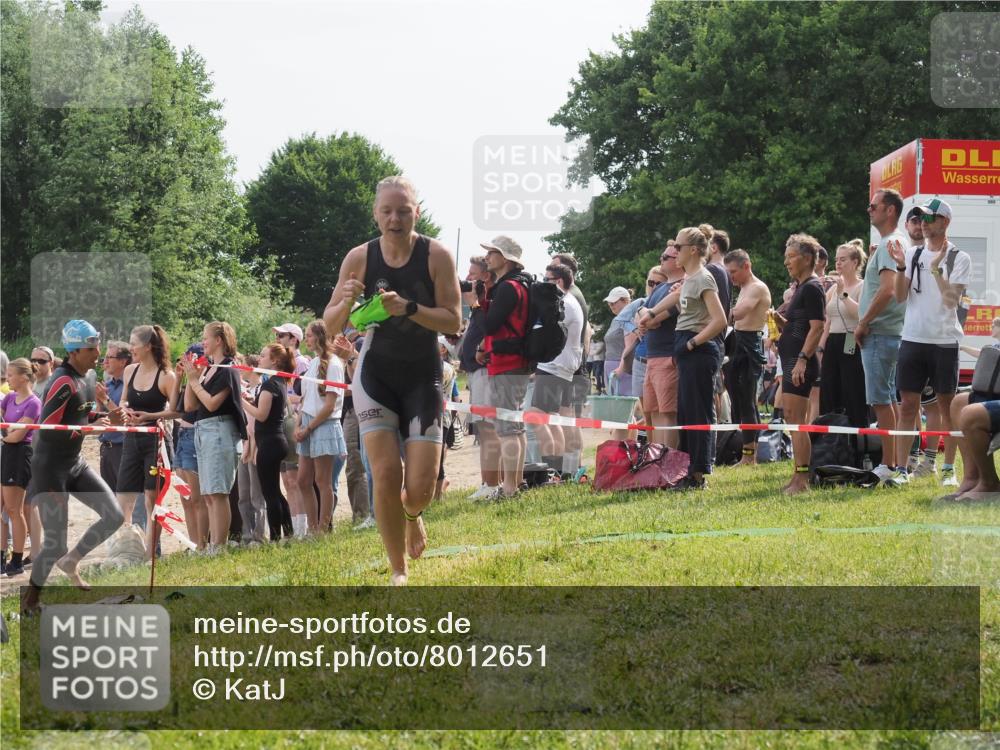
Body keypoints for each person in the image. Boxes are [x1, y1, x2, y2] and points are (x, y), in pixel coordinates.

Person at [323, 175, 461, 586]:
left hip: (422, 374)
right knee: (383, 471)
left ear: (416, 212)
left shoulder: (435, 255)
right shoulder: (359, 257)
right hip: (375, 373)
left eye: (403, 210)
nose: (394, 218)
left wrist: (409, 307)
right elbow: (330, 324)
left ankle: (412, 514)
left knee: (418, 487)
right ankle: (397, 569)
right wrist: (346, 300)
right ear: (375, 214)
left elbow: (453, 320)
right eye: (387, 211)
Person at [22, 321, 125, 614]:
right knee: (53, 544)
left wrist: (107, 415)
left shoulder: (89, 377)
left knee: (114, 515)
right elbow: (49, 428)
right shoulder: (61, 380)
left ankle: (72, 560)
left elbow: (82, 411)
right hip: (50, 468)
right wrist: (91, 429)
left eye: (98, 346)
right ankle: (31, 601)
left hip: (75, 463)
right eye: (92, 348)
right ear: (74, 350)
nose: (98, 352)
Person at [888, 198, 970, 486]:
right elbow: (900, 297)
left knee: (946, 408)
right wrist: (900, 267)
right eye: (920, 218)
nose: (923, 223)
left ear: (944, 222)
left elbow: (951, 302)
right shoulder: (912, 254)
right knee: (908, 406)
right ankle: (901, 470)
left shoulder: (959, 257)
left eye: (929, 218)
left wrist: (936, 270)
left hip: (944, 341)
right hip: (912, 338)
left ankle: (948, 470)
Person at [470, 235, 533, 501]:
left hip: (507, 364)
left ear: (505, 258)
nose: (487, 258)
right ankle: (515, 482)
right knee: (515, 426)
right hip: (513, 362)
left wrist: (475, 305)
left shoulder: (509, 288)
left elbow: (491, 326)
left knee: (507, 428)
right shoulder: (518, 285)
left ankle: (509, 488)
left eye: (492, 253)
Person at [857, 187, 909, 486]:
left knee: (880, 400)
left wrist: (864, 322)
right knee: (886, 400)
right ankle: (891, 463)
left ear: (890, 210)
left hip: (879, 333)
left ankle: (889, 464)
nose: (869, 210)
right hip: (884, 333)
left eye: (873, 206)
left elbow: (888, 290)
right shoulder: (889, 243)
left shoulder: (891, 243)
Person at [181, 321, 247, 553]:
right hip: (203, 431)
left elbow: (211, 403)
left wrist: (193, 381)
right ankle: (213, 545)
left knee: (218, 493)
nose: (202, 342)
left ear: (219, 340)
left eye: (205, 338)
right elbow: (190, 405)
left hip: (220, 431)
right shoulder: (209, 369)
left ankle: (218, 547)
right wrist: (194, 378)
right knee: (209, 494)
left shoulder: (228, 368)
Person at [671, 226, 728, 490]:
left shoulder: (704, 278)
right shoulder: (690, 278)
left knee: (698, 413)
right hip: (686, 347)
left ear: (693, 250)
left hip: (699, 350)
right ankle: (687, 469)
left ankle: (698, 474)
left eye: (678, 247)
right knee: (686, 411)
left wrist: (693, 343)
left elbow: (720, 321)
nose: (674, 252)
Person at [115, 325, 177, 560]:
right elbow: (123, 401)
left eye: (134, 344)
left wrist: (149, 416)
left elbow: (176, 411)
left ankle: (151, 556)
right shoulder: (130, 371)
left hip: (156, 441)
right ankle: (127, 552)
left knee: (152, 500)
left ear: (148, 346)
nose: (131, 349)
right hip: (132, 439)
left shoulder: (166, 376)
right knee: (123, 498)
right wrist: (123, 411)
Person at [773, 235, 827, 494]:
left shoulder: (813, 287)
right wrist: (780, 322)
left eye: (791, 256)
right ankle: (797, 475)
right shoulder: (801, 288)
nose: (787, 262)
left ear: (807, 259)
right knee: (792, 418)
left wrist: (802, 361)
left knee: (798, 422)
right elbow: (801, 327)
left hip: (800, 364)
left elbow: (817, 328)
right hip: (792, 361)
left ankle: (803, 480)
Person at [527, 263, 584, 479]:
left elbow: (543, 330)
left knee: (535, 415)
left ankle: (552, 469)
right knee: (551, 416)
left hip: (555, 366)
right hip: (557, 365)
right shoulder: (567, 301)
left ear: (558, 281)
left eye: (547, 278)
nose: (543, 282)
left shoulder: (565, 303)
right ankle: (557, 471)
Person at [295, 320, 346, 535]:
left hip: (324, 425)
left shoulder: (334, 364)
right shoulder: (313, 363)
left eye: (309, 335)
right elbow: (306, 397)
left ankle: (323, 530)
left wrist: (309, 428)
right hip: (307, 422)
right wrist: (299, 424)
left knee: (322, 480)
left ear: (320, 337)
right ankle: (312, 528)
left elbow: (330, 405)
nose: (306, 339)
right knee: (303, 480)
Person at [241, 343, 295, 541]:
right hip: (275, 441)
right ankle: (288, 533)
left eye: (263, 356)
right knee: (276, 492)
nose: (260, 359)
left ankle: (275, 537)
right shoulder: (279, 382)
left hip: (270, 443)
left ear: (274, 361)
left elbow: (261, 415)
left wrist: (241, 401)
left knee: (270, 493)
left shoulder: (270, 384)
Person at [723, 249, 772, 463]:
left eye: (733, 271)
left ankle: (749, 456)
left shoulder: (757, 287)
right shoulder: (743, 288)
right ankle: (737, 448)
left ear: (746, 266)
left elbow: (739, 313)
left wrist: (711, 316)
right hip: (735, 342)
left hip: (749, 345)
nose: (730, 277)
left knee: (747, 401)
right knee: (735, 398)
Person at [460, 256, 502, 500]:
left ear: (485, 276)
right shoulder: (483, 301)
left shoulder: (490, 300)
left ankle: (492, 484)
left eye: (472, 274)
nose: (467, 279)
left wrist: (475, 304)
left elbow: (490, 330)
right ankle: (487, 482)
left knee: (488, 429)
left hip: (486, 372)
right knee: (483, 431)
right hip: (477, 373)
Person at [638, 243, 685, 448]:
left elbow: (656, 317)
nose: (661, 259)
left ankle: (670, 463)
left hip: (668, 356)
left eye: (665, 257)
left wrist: (646, 318)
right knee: (654, 412)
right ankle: (657, 461)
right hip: (653, 357)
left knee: (667, 413)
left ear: (677, 260)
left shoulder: (681, 286)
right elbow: (642, 311)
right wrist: (645, 318)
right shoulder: (662, 288)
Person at [818, 240, 868, 428]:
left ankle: (857, 437)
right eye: (837, 260)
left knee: (852, 389)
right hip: (834, 341)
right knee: (829, 388)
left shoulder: (861, 286)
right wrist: (820, 347)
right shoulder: (832, 288)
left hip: (852, 340)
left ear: (855, 262)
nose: (838, 264)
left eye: (843, 260)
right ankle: (829, 436)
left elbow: (861, 314)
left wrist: (843, 294)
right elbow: (827, 319)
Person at [1, 358, 42, 576]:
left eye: (10, 375)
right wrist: (6, 435)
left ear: (24, 377)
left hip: (20, 455)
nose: (7, 378)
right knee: (2, 509)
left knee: (14, 509)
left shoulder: (33, 402)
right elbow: (8, 431)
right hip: (6, 453)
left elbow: (18, 436)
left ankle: (16, 561)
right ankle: (2, 557)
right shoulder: (8, 398)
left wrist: (4, 435)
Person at [271, 324, 310, 540]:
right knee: (287, 481)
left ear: (294, 339)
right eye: (276, 335)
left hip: (296, 421)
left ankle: (303, 529)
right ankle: (296, 528)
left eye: (281, 335)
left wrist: (282, 397)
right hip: (283, 423)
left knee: (296, 480)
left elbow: (305, 395)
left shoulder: (302, 362)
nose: (277, 338)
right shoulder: (279, 366)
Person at [332, 329, 372, 528]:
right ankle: (363, 514)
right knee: (355, 468)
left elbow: (359, 382)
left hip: (357, 412)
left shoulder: (361, 343)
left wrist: (334, 392)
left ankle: (364, 515)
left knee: (358, 467)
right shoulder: (345, 347)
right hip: (348, 413)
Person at [171, 343, 208, 550]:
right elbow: (175, 407)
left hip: (195, 434)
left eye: (190, 359)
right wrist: (179, 378)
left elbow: (189, 407)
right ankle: (194, 544)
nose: (185, 363)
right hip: (182, 434)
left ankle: (202, 544)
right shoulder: (189, 381)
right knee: (185, 498)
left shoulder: (202, 381)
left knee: (197, 498)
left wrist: (192, 376)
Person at [235, 354, 267, 544]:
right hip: (245, 444)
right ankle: (247, 534)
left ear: (252, 367)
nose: (241, 368)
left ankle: (259, 535)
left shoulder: (261, 389)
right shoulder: (247, 390)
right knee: (243, 495)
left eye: (244, 365)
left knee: (257, 495)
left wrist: (252, 447)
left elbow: (256, 422)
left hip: (255, 445)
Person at [602, 287, 634, 395]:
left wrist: (621, 368)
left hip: (622, 369)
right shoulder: (615, 319)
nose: (611, 306)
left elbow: (630, 346)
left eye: (614, 302)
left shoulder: (630, 318)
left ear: (625, 300)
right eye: (609, 303)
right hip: (610, 366)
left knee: (624, 404)